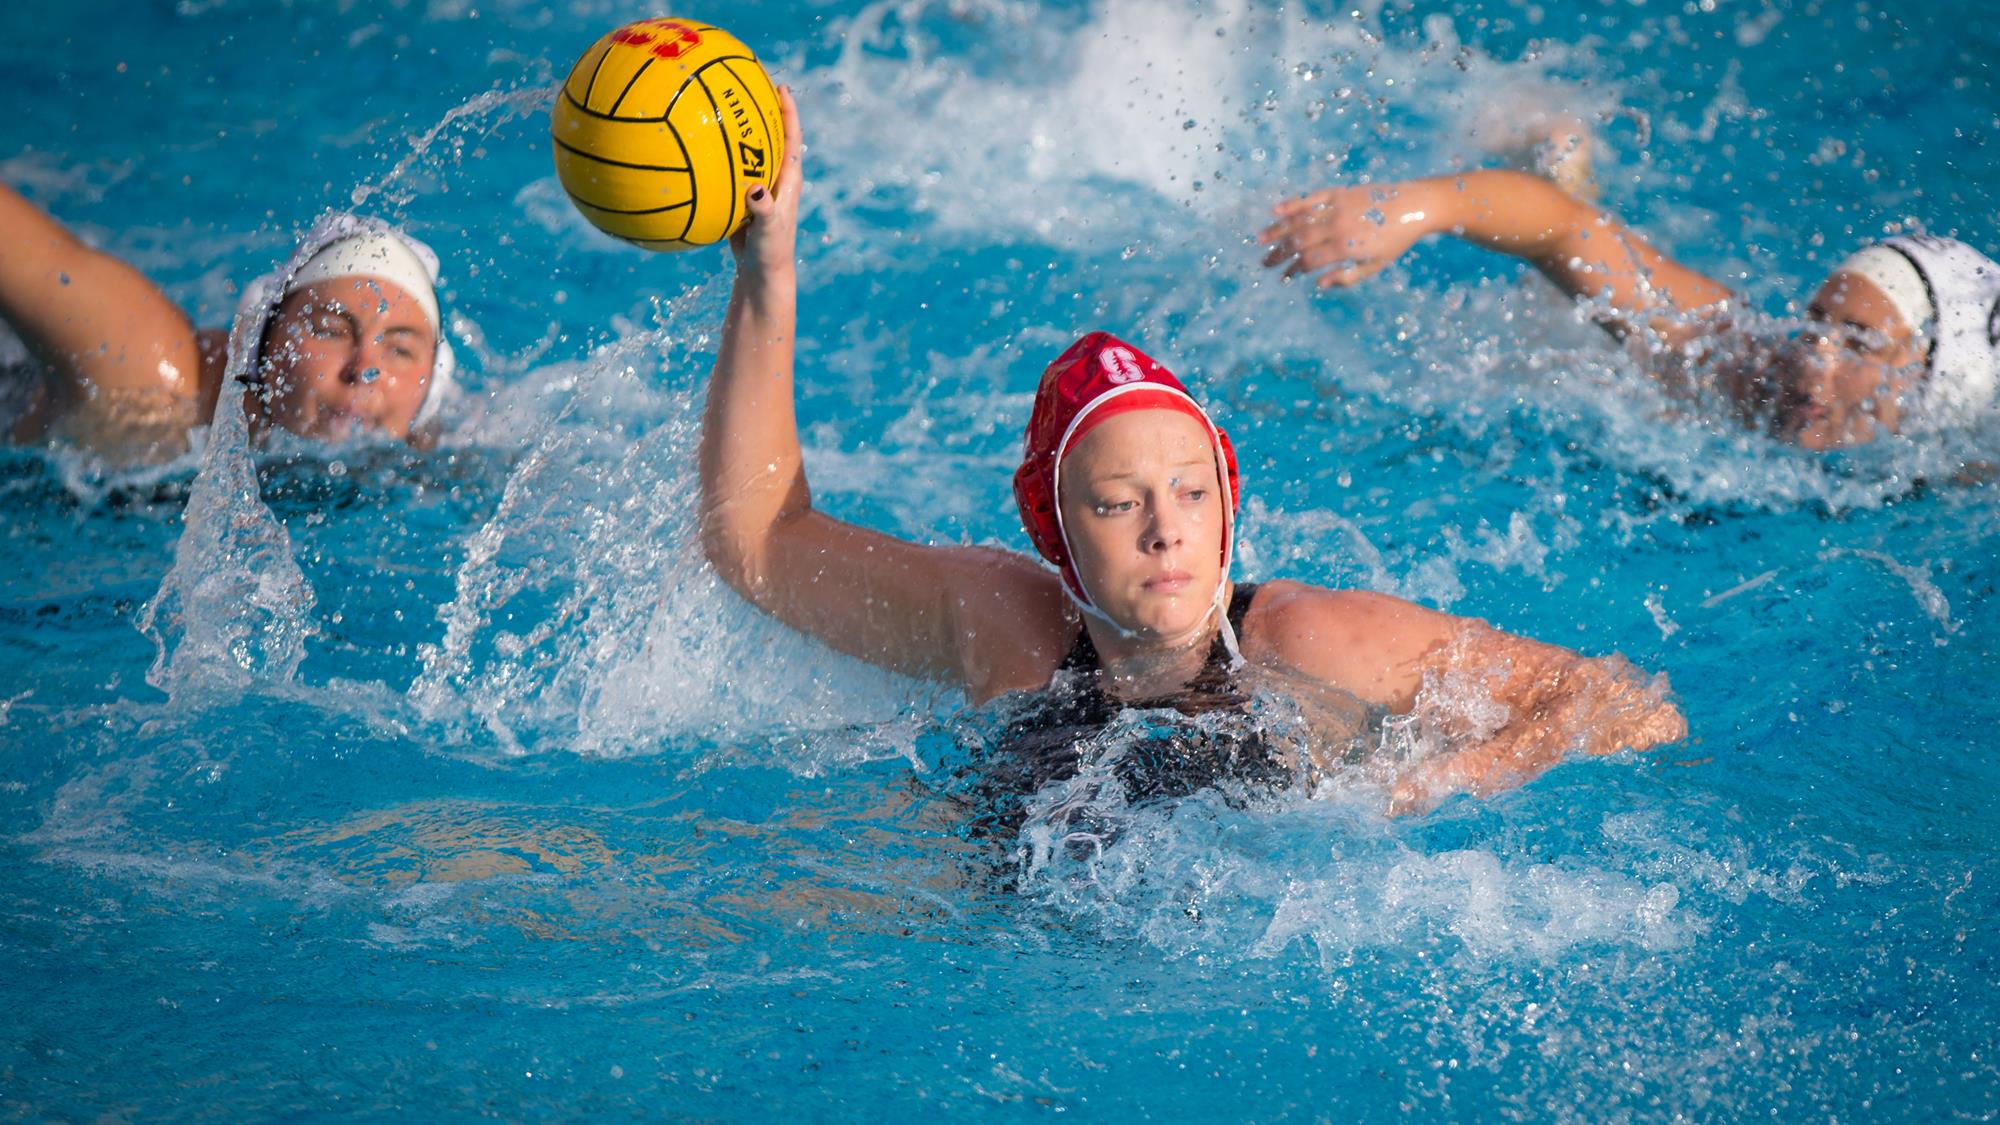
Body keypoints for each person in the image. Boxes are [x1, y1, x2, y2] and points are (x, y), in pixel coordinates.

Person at [701, 88, 1686, 818]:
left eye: (1187, 492)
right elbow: (755, 541)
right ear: (1053, 529)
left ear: (1227, 498)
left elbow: (1622, 704)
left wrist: (1435, 785)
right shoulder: (1002, 625)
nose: (1167, 530)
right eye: (1119, 503)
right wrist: (769, 272)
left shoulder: (1307, 639)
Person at [1257, 155, 2000, 451]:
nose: (1812, 360)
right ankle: (1555, 146)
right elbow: (1565, 231)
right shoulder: (1747, 367)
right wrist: (1419, 207)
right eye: (1814, 324)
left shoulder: (1968, 482)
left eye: (1861, 345)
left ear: (1942, 380)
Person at [0, 184, 456, 462]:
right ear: (262, 341)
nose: (365, 368)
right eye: (331, 330)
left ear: (431, 383)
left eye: (400, 349)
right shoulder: (152, 380)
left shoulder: (430, 455)